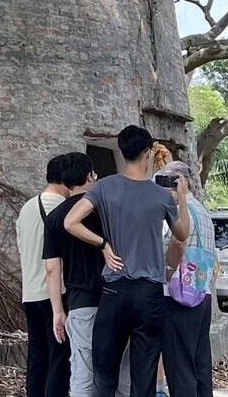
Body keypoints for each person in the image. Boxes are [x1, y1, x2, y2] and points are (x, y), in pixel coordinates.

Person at [64, 126, 191, 397]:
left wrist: (102, 244)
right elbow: (182, 235)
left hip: (114, 291)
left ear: (122, 152)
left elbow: (70, 222)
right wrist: (180, 199)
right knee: (143, 375)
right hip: (149, 294)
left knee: (105, 371)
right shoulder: (160, 196)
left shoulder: (104, 187)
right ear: (147, 153)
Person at [44, 152, 129, 397]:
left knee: (83, 371)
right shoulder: (108, 210)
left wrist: (58, 311)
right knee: (122, 369)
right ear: (91, 176)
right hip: (116, 300)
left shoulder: (55, 218)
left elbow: (52, 270)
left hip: (81, 303)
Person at [156, 160, 216, 397]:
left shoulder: (180, 211)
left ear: (177, 181)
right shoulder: (202, 210)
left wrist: (169, 270)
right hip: (203, 292)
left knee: (180, 365)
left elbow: (178, 242)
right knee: (200, 361)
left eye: (164, 180)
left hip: (178, 294)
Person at [18, 154, 71, 397]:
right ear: (65, 179)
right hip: (56, 294)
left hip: (29, 293)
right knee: (59, 358)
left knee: (37, 357)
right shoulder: (64, 210)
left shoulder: (27, 208)